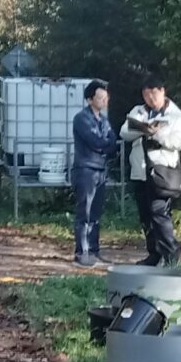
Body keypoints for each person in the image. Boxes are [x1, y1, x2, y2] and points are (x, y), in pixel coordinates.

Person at [120, 78, 181, 268]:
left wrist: (156, 134)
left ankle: (171, 254)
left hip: (161, 171)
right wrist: (144, 129)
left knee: (159, 212)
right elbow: (124, 132)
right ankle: (154, 254)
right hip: (140, 170)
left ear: (162, 91)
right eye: (146, 95)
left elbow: (177, 142)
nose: (151, 99)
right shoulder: (138, 111)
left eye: (154, 94)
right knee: (146, 215)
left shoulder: (176, 115)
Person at [69, 80, 118, 265]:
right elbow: (95, 142)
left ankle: (94, 251)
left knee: (96, 214)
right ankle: (82, 252)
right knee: (85, 212)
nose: (105, 100)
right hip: (86, 169)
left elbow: (112, 142)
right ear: (90, 100)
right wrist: (107, 143)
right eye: (100, 97)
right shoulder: (81, 118)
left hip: (100, 169)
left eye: (106, 97)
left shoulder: (104, 120)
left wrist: (107, 144)